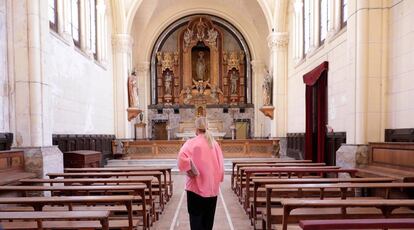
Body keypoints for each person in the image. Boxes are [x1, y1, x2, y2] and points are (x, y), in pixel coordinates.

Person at [177, 117, 224, 230]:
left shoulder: (190, 143)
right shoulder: (215, 144)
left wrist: (191, 167)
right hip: (212, 189)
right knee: (208, 222)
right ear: (207, 127)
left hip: (195, 189)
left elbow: (181, 160)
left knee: (196, 221)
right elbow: (221, 167)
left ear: (196, 129)